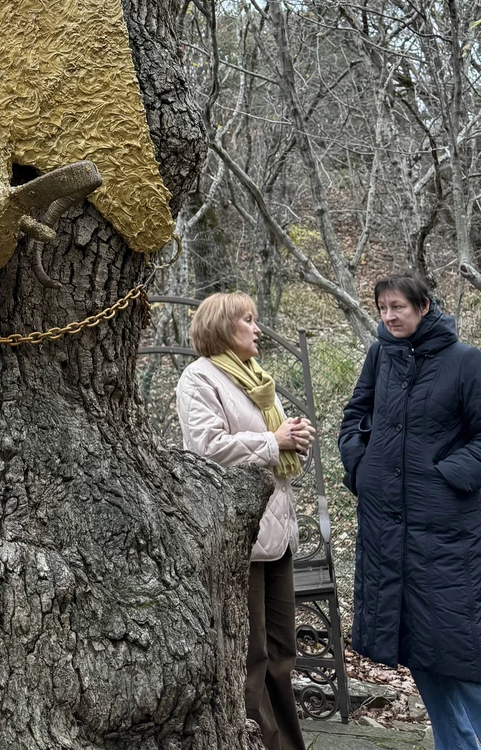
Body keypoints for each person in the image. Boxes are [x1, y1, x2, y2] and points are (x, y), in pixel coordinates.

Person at [339, 276, 481, 750]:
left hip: (446, 534)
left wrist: (446, 477)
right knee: (420, 652)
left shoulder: (466, 362)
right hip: (386, 531)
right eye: (382, 308)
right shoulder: (380, 356)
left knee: (462, 653)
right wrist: (361, 467)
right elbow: (355, 416)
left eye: (397, 306)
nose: (388, 316)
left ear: (423, 306)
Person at [176, 292, 314, 750]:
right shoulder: (199, 378)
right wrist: (274, 441)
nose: (257, 328)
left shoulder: (256, 377)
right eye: (248, 320)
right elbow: (206, 449)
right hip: (240, 538)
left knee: (282, 652)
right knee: (250, 656)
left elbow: (273, 444)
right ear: (222, 326)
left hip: (278, 532)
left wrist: (293, 438)